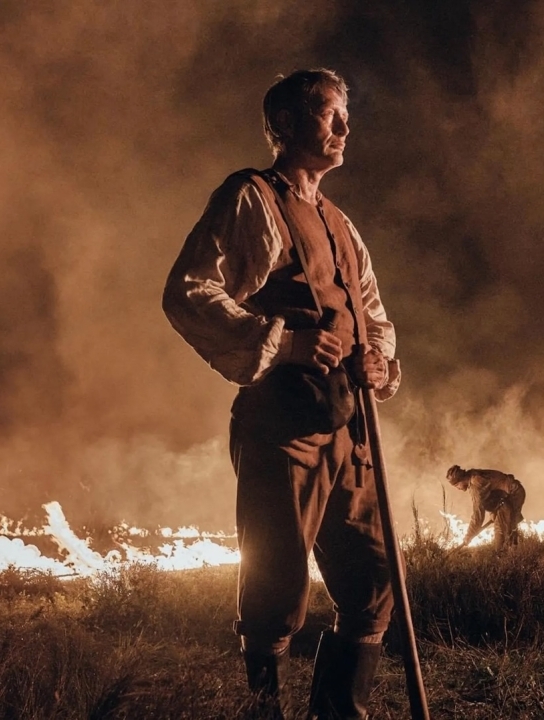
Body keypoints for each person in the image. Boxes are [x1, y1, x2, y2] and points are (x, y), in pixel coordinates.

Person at [162, 68, 401, 719]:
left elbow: (371, 313)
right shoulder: (252, 198)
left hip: (349, 432)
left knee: (377, 582)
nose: (345, 128)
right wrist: (287, 344)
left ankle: (336, 712)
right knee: (276, 590)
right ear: (289, 125)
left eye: (346, 115)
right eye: (331, 115)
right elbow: (189, 291)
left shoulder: (341, 225)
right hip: (282, 428)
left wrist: (378, 360)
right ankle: (263, 711)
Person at [446, 465, 526, 549]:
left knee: (500, 528)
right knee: (508, 524)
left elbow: (478, 514)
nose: (458, 488)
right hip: (509, 494)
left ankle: (501, 554)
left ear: (461, 480)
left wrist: (470, 534)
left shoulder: (476, 484)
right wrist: (494, 513)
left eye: (456, 485)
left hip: (513, 494)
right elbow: (491, 493)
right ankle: (515, 549)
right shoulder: (473, 475)